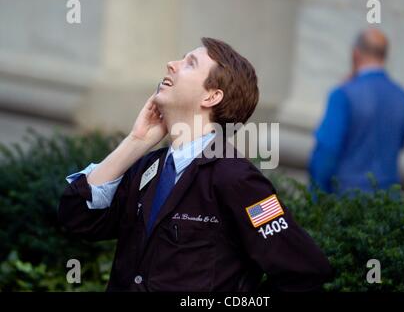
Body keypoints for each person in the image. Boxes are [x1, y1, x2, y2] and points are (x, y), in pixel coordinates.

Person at [58, 37, 332, 291]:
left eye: (189, 64)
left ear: (211, 96)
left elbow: (306, 271)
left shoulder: (237, 178)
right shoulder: (147, 167)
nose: (171, 65)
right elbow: (77, 218)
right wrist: (136, 141)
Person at [309, 29, 404, 195]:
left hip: (347, 202)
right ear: (384, 56)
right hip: (389, 201)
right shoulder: (403, 97)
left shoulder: (343, 94)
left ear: (355, 54)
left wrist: (316, 194)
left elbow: (327, 151)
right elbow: (400, 143)